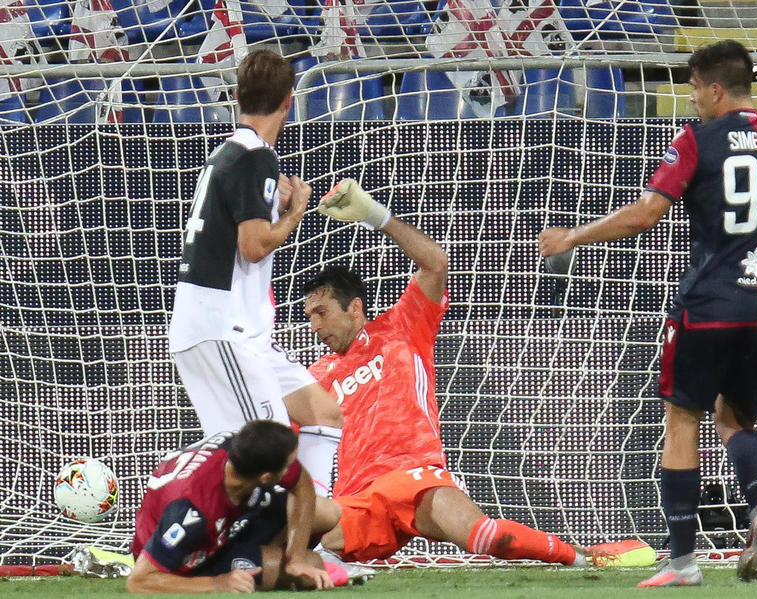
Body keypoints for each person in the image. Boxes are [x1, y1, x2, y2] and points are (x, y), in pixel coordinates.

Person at [538, 39, 757, 587]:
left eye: (692, 90)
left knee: (682, 421)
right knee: (735, 419)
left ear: (714, 88)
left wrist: (573, 236)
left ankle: (683, 561)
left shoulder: (696, 141)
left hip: (707, 306)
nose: (691, 102)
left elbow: (645, 213)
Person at [300, 179, 657, 568]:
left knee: (486, 535)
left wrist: (374, 215)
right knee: (295, 540)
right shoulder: (314, 375)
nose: (314, 326)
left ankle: (587, 559)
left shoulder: (401, 326)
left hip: (415, 475)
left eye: (321, 313)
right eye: (308, 317)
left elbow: (435, 262)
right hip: (356, 497)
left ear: (353, 308)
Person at [167, 49, 342, 497]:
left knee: (322, 411)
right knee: (268, 457)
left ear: (238, 96)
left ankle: (313, 542)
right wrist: (297, 211)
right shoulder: (254, 156)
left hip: (238, 332)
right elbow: (254, 243)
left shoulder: (231, 153)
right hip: (223, 329)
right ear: (288, 102)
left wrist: (276, 207)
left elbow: (239, 234)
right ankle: (182, 530)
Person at [127, 420, 333, 593]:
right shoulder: (191, 509)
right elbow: (139, 581)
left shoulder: (245, 452)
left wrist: (295, 558)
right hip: (183, 554)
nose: (292, 469)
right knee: (313, 566)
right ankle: (258, 559)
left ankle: (268, 557)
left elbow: (302, 483)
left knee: (328, 514)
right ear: (266, 477)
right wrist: (219, 583)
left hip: (228, 522)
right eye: (288, 465)